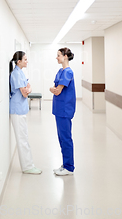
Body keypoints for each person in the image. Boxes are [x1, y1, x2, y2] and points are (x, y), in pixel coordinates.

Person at [9, 51, 42, 174]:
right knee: (22, 139)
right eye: (25, 59)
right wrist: (28, 88)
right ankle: (27, 167)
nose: (27, 61)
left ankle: (28, 165)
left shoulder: (20, 73)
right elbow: (25, 92)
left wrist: (29, 88)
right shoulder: (16, 74)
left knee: (24, 137)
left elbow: (28, 87)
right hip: (17, 110)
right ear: (19, 61)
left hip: (20, 109)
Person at [49, 47, 76, 176]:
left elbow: (57, 90)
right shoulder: (61, 71)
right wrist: (52, 88)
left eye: (58, 55)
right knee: (61, 138)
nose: (57, 57)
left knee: (66, 138)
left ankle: (69, 167)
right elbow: (54, 87)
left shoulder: (68, 72)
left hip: (65, 110)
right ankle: (65, 164)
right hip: (59, 110)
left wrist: (53, 89)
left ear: (65, 56)